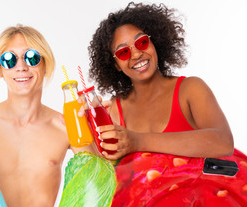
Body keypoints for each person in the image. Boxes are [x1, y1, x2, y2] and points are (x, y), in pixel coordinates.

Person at [0, 24, 93, 207]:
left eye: (32, 57)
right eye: (9, 59)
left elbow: (96, 180)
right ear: (1, 68)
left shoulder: (65, 125)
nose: (21, 67)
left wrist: (85, 125)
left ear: (45, 64)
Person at [88, 2, 234, 161]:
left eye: (141, 42)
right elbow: (108, 172)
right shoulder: (114, 110)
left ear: (154, 42)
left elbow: (223, 143)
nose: (136, 54)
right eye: (123, 52)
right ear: (116, 65)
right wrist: (89, 128)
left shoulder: (191, 89)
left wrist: (137, 141)